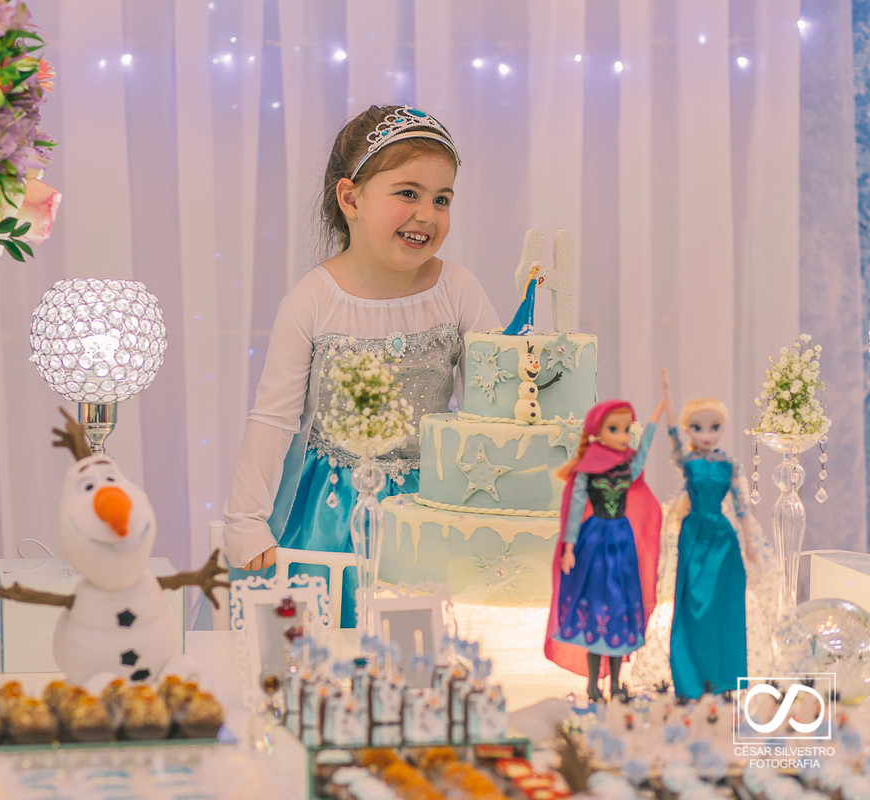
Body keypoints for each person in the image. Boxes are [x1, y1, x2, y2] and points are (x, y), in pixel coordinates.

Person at [222, 104, 500, 626]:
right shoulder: (313, 300)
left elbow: (498, 400)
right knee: (333, 642)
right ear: (350, 197)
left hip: (432, 511)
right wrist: (245, 520)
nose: (427, 214)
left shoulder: (457, 289)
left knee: (427, 644)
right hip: (331, 514)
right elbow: (274, 418)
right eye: (407, 193)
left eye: (442, 200)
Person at [544, 398, 664, 702]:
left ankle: (614, 684)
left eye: (626, 429)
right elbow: (573, 508)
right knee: (596, 607)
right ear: (599, 430)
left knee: (618, 610)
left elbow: (643, 456)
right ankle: (594, 686)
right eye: (615, 428)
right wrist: (569, 546)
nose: (623, 436)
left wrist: (654, 419)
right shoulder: (587, 470)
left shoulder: (627, 465)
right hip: (594, 541)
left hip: (621, 543)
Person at [660, 370, 754, 699]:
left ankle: (724, 681)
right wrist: (668, 393)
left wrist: (750, 544)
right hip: (694, 536)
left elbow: (741, 508)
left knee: (725, 609)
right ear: (689, 430)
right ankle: (690, 681)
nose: (707, 434)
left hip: (723, 540)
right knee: (691, 605)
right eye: (698, 427)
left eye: (714, 427)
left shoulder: (729, 464)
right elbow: (672, 434)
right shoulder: (688, 463)